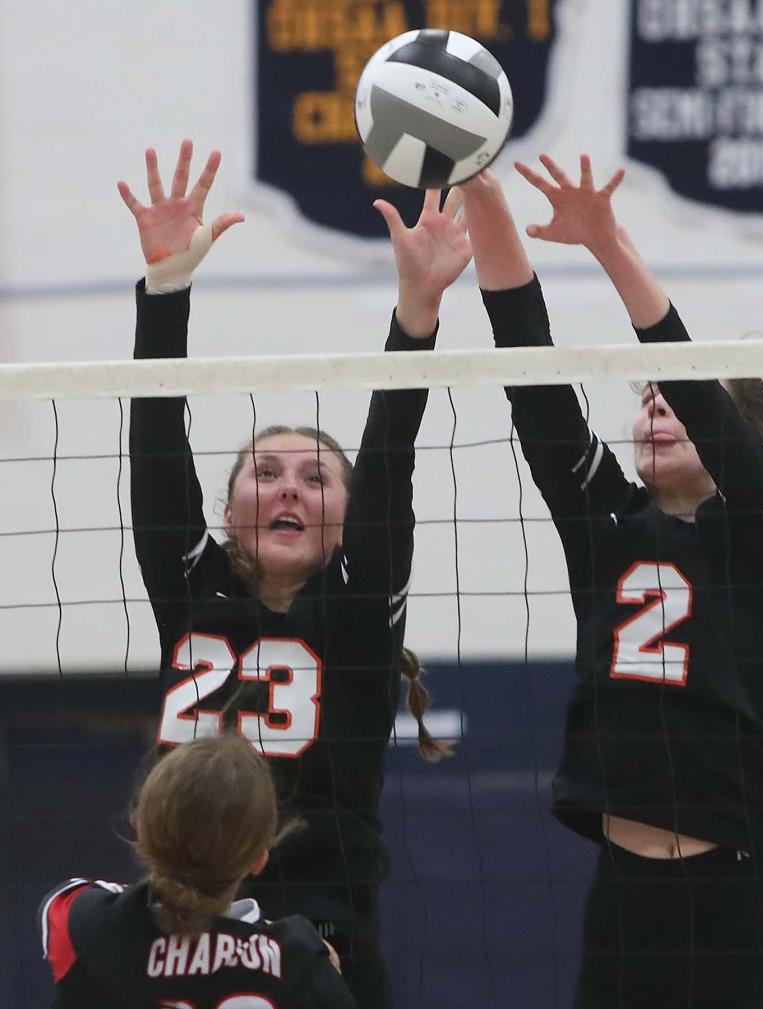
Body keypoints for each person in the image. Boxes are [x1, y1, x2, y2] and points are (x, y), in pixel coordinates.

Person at [460, 158, 763, 1008]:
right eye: (643, 399)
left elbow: (689, 381)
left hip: (755, 890)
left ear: (739, 435)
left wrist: (609, 244)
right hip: (627, 900)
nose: (655, 407)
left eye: (675, 399)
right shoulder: (609, 524)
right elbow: (537, 392)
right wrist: (483, 199)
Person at [120, 140, 470, 1008]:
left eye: (315, 478)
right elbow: (157, 451)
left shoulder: (358, 608)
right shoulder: (192, 584)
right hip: (180, 933)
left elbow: (392, 453)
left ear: (347, 519)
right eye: (265, 473)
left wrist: (415, 314)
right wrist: (166, 293)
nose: (287, 487)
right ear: (230, 505)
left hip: (327, 942)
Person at [38, 732, 358, 1009]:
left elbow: (68, 901)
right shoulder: (303, 967)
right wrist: (307, 945)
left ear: (142, 830)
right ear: (259, 859)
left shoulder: (89, 928)